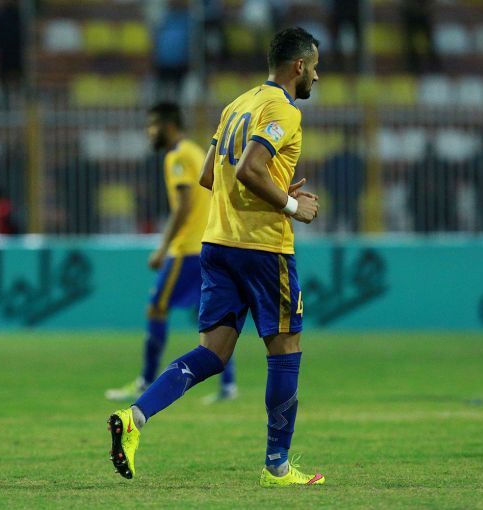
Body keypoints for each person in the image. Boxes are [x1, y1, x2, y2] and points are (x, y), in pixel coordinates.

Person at [107, 27, 324, 487]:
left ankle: (134, 417)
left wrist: (272, 187)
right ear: (299, 66)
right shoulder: (284, 110)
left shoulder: (236, 105)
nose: (317, 77)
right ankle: (277, 466)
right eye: (315, 67)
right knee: (286, 350)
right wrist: (290, 205)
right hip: (263, 248)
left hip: (217, 244)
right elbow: (248, 169)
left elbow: (211, 175)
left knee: (212, 353)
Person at [105, 102, 237, 404]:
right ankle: (228, 385)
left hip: (187, 249)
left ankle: (145, 380)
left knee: (156, 307)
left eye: (152, 125)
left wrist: (163, 247)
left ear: (168, 125)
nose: (148, 132)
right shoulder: (195, 151)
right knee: (210, 317)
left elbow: (184, 206)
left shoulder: (177, 156)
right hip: (208, 244)